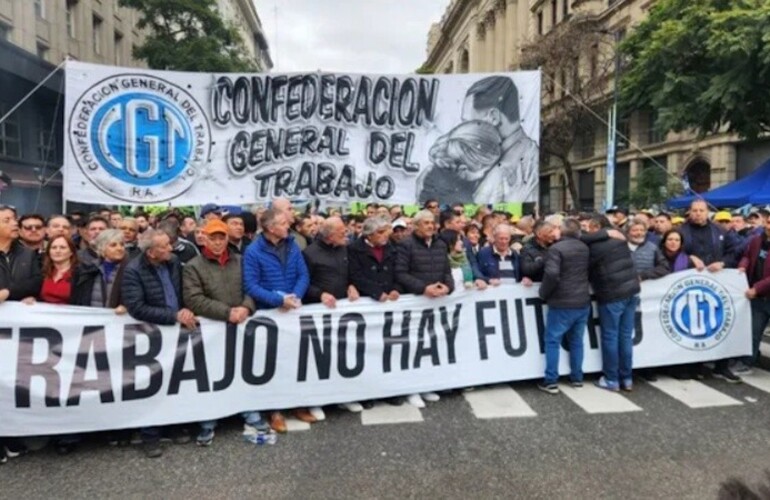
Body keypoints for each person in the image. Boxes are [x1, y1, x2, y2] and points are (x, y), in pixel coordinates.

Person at [183, 219, 267, 446]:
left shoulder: (240, 261)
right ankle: (209, 421)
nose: (218, 242)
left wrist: (246, 307)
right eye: (213, 238)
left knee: (245, 370)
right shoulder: (193, 266)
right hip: (213, 331)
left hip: (241, 325)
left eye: (222, 237)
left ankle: (250, 413)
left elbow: (253, 286)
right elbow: (194, 299)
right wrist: (227, 312)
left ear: (227, 238)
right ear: (204, 239)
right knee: (212, 374)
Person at [122, 229, 196, 458]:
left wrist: (185, 310)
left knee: (176, 382)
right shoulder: (133, 271)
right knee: (152, 384)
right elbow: (136, 307)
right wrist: (172, 316)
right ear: (151, 253)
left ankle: (173, 425)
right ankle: (150, 435)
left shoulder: (172, 262)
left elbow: (181, 291)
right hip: (152, 334)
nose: (171, 249)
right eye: (164, 246)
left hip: (177, 331)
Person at [243, 208, 313, 431]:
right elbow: (251, 285)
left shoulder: (292, 244)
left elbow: (303, 274)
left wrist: (295, 296)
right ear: (271, 228)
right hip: (271, 315)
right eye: (283, 223)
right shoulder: (253, 251)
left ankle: (297, 404)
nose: (288, 226)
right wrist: (277, 300)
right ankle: (275, 410)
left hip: (292, 310)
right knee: (274, 364)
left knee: (296, 361)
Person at [303, 216, 363, 414]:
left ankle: (343, 396)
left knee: (342, 357)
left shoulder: (345, 248)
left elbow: (350, 273)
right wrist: (320, 294)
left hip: (342, 313)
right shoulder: (310, 254)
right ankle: (315, 400)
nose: (346, 234)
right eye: (341, 232)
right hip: (319, 314)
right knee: (318, 359)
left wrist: (352, 285)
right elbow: (304, 283)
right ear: (329, 236)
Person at [679, 199, 742, 382]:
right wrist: (689, 257)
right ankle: (694, 366)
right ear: (689, 212)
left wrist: (723, 263)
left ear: (708, 212)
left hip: (717, 284)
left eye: (701, 210)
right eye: (694, 210)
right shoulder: (681, 231)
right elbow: (670, 250)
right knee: (693, 324)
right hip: (690, 285)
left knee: (720, 322)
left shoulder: (720, 231)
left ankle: (721, 366)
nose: (698, 213)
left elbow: (735, 252)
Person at [395, 209, 453, 408]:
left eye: (432, 223)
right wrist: (423, 288)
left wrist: (448, 286)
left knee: (431, 346)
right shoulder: (405, 245)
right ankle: (411, 388)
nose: (431, 226)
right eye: (426, 223)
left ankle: (427, 384)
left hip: (436, 304)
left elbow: (447, 270)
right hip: (416, 303)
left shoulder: (440, 244)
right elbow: (400, 273)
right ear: (416, 226)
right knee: (413, 347)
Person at [583, 215, 641, 392]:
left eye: (588, 227)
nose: (585, 231)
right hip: (631, 290)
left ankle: (611, 379)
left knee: (610, 337)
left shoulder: (593, 246)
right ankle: (627, 378)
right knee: (625, 336)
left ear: (596, 227)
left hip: (611, 294)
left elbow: (579, 238)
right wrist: (607, 232)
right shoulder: (619, 240)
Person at [461, 75, 539, 202]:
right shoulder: (526, 151)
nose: (464, 132)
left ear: (493, 117)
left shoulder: (509, 168)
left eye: (468, 123)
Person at [537, 219, 591, 394]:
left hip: (561, 301)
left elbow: (552, 273)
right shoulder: (584, 248)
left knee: (552, 340)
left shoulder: (556, 249)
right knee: (576, 341)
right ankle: (577, 377)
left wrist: (543, 292)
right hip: (582, 300)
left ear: (562, 231)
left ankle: (551, 380)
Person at [417, 120, 503, 205]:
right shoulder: (461, 200)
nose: (484, 175)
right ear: (464, 169)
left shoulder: (440, 169)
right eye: (485, 171)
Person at [737, 214, 770, 373]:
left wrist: (757, 287)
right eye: (769, 222)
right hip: (758, 297)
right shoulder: (756, 240)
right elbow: (747, 256)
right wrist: (743, 265)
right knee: (753, 332)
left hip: (760, 291)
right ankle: (748, 362)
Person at [70, 229, 129, 312]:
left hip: (118, 321)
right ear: (102, 247)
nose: (119, 248)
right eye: (113, 245)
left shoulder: (131, 271)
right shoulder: (89, 270)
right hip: (93, 320)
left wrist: (127, 307)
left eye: (122, 245)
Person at [0, 205, 42, 304]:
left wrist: (8, 293)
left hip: (19, 314)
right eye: (7, 220)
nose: (15, 223)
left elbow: (36, 282)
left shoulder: (28, 254)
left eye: (15, 219)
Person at [39, 236, 78, 305]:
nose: (57, 251)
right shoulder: (43, 272)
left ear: (71, 252)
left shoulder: (79, 274)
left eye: (62, 248)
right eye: (54, 248)